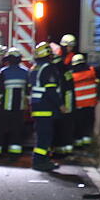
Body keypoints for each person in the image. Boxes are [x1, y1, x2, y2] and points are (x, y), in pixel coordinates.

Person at [0, 47, 29, 158]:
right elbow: (28, 90)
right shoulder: (26, 72)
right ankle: (14, 153)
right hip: (19, 107)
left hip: (5, 107)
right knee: (16, 130)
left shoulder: (3, 72)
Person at [29, 41, 61, 171]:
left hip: (37, 107)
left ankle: (43, 160)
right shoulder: (48, 68)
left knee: (42, 135)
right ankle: (39, 162)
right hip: (46, 107)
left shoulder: (34, 68)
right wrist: (60, 105)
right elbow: (51, 90)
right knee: (45, 136)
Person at [51, 42, 75, 156]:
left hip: (59, 104)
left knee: (56, 127)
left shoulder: (54, 71)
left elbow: (55, 90)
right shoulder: (66, 70)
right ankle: (64, 149)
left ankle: (57, 149)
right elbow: (70, 87)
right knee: (65, 127)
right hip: (67, 102)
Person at [70, 53, 98, 147]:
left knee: (78, 124)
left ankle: (78, 142)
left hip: (78, 105)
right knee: (88, 123)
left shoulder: (73, 76)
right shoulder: (91, 72)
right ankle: (87, 142)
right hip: (90, 104)